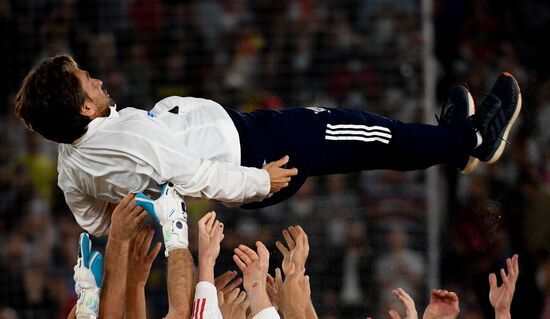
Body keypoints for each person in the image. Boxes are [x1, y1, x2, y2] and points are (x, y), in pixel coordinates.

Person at [15, 54, 522, 236]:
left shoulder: (71, 163)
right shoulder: (129, 139)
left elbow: (95, 221)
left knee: (364, 138)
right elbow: (197, 178)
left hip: (250, 136)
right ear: (83, 108)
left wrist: (144, 204)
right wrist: (261, 179)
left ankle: (447, 144)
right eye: (86, 79)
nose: (96, 79)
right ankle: (475, 138)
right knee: (366, 133)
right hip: (259, 155)